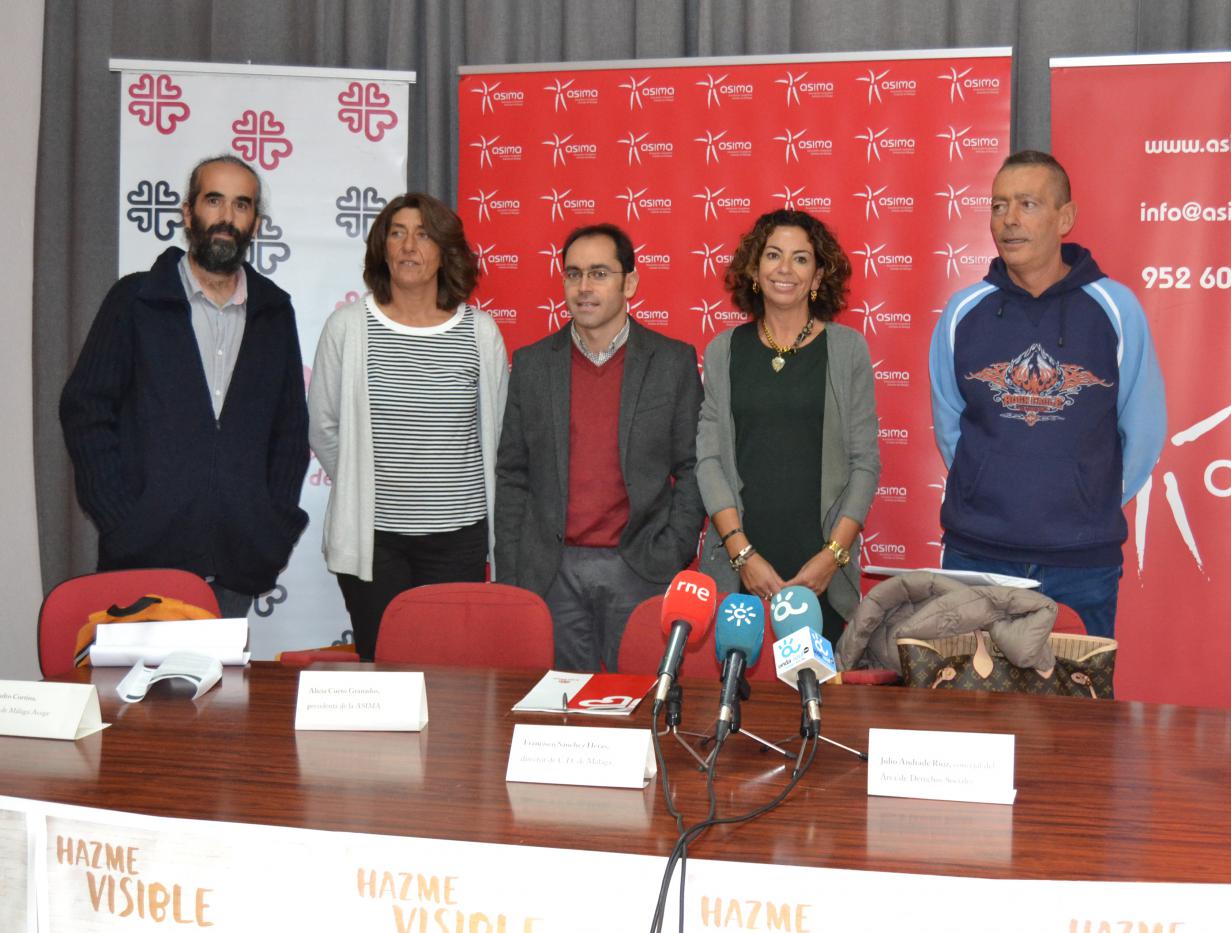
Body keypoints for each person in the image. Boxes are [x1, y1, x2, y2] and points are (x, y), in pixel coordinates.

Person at [929, 150, 1167, 639]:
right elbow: (951, 425)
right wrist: (988, 491)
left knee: (1077, 712)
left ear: (1066, 218)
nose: (1009, 220)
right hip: (977, 557)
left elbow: (1142, 431)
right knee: (966, 711)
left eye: (1027, 204)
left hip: (1081, 566)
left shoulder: (1116, 308)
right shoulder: (963, 311)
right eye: (998, 206)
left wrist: (1086, 501)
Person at [60, 154, 309, 619]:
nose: (227, 218)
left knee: (221, 693)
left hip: (238, 562)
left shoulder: (275, 314)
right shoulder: (134, 300)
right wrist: (122, 520)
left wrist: (270, 523)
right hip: (142, 559)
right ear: (188, 212)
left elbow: (290, 432)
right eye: (214, 200)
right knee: (134, 692)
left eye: (242, 205)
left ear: (255, 222)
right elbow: (84, 410)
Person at [494, 223, 705, 673]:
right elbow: (512, 473)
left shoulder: (672, 362)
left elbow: (693, 466)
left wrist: (674, 549)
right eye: (573, 274)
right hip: (551, 574)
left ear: (630, 283)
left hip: (640, 567)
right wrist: (513, 570)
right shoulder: (532, 365)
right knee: (561, 714)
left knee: (639, 706)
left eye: (599, 273)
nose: (584, 287)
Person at [308, 193, 508, 660]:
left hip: (458, 540)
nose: (408, 245)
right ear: (382, 247)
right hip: (374, 543)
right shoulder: (348, 327)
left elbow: (495, 436)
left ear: (445, 250)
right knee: (381, 674)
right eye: (396, 233)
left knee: (450, 677)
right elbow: (323, 427)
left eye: (423, 234)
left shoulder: (481, 332)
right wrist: (366, 488)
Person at [696, 210, 880, 644]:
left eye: (801, 259)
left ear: (817, 277)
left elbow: (865, 464)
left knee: (819, 705)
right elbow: (708, 462)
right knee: (734, 703)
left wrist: (831, 558)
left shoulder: (847, 349)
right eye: (773, 255)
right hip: (740, 567)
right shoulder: (724, 350)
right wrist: (742, 555)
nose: (785, 268)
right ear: (755, 270)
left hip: (819, 572)